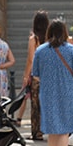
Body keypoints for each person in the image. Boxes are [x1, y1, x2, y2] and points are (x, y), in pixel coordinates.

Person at [20, 10, 49, 139]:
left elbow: (30, 59)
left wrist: (26, 76)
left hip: (37, 75)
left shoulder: (34, 39)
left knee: (36, 104)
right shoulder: (51, 38)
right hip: (49, 75)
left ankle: (37, 132)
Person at [0, 25, 16, 98]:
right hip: (2, 74)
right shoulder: (4, 44)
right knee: (2, 96)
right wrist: (1, 66)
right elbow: (12, 60)